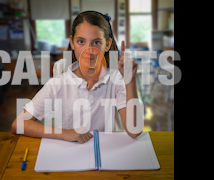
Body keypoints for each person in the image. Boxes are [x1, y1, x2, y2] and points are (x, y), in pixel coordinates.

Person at [11, 11, 141, 143]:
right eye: (81, 42)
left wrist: (130, 80)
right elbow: (19, 124)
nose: (88, 50)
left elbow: (134, 131)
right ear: (72, 43)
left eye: (96, 42)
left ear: (107, 44)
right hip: (67, 155)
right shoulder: (58, 83)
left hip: (104, 153)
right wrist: (65, 133)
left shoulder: (116, 80)